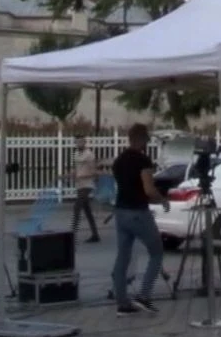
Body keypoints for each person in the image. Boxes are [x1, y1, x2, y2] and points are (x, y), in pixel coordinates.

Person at [111, 124, 167, 315]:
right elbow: (148, 190)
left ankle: (122, 302)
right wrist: (162, 200)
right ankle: (144, 295)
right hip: (138, 212)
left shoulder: (118, 161)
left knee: (123, 256)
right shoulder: (143, 160)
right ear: (143, 139)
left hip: (120, 211)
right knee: (157, 252)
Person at [65, 135, 101, 244]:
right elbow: (76, 170)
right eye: (77, 142)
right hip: (79, 185)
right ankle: (95, 235)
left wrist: (82, 176)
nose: (79, 144)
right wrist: (68, 176)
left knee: (77, 208)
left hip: (87, 185)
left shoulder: (89, 155)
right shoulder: (75, 154)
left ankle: (72, 235)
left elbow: (94, 173)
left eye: (81, 142)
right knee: (87, 210)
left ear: (84, 142)